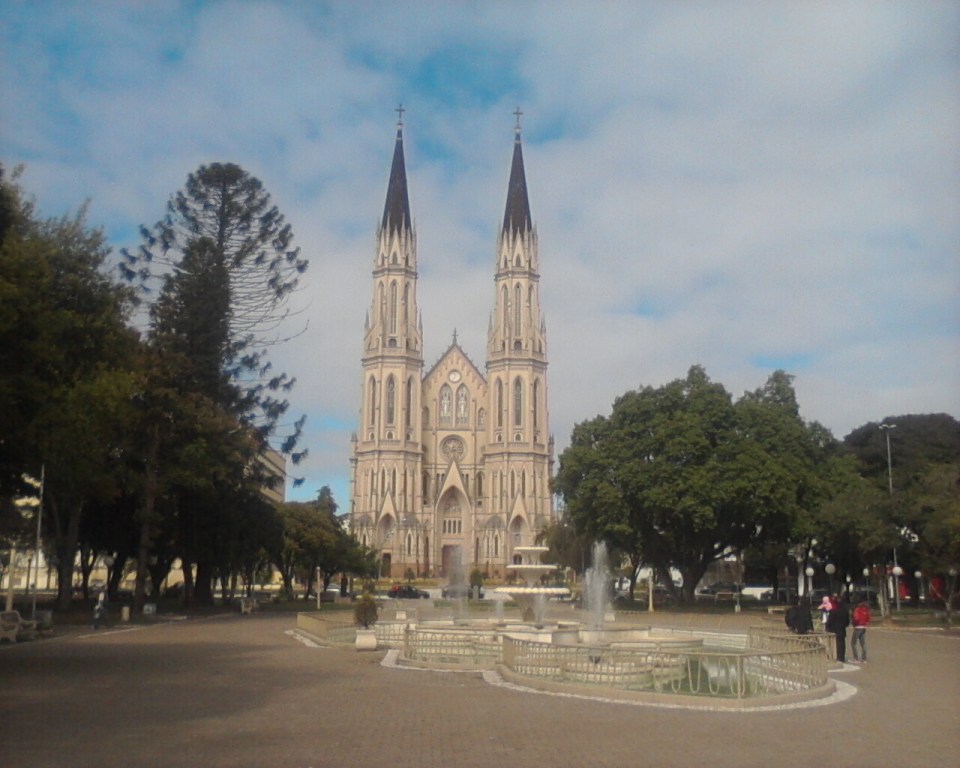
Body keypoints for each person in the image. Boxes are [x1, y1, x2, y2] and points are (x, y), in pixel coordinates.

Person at [825, 594, 850, 663]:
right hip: (842, 630)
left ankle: (835, 657)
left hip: (834, 630)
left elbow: (829, 621)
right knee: (842, 644)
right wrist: (843, 626)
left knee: (835, 644)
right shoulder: (845, 612)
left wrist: (828, 628)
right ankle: (841, 657)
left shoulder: (833, 611)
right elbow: (847, 622)